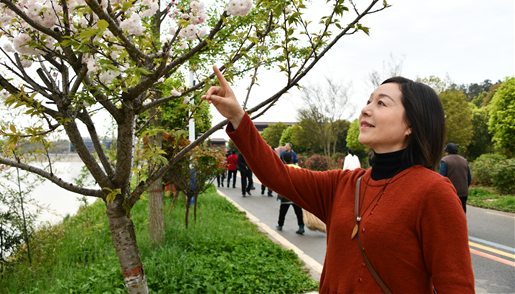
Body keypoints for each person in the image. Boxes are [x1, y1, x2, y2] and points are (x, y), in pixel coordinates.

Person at [202, 65, 475, 293]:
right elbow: (278, 175)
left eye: (381, 103)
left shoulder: (433, 191)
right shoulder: (343, 184)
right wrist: (238, 116)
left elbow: (456, 286)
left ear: (412, 125)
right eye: (368, 101)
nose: (365, 110)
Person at [276, 152, 305, 234]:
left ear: (283, 159)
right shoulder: (298, 167)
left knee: (283, 211)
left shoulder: (282, 168)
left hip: (286, 194)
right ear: (292, 158)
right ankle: (301, 226)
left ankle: (280, 225)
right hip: (297, 194)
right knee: (298, 211)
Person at [439, 143, 472, 214]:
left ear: (447, 152)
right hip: (463, 193)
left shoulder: (445, 160)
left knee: (450, 214)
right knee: (462, 214)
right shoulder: (464, 160)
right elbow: (469, 178)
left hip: (450, 193)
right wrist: (464, 188)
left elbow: (441, 179)